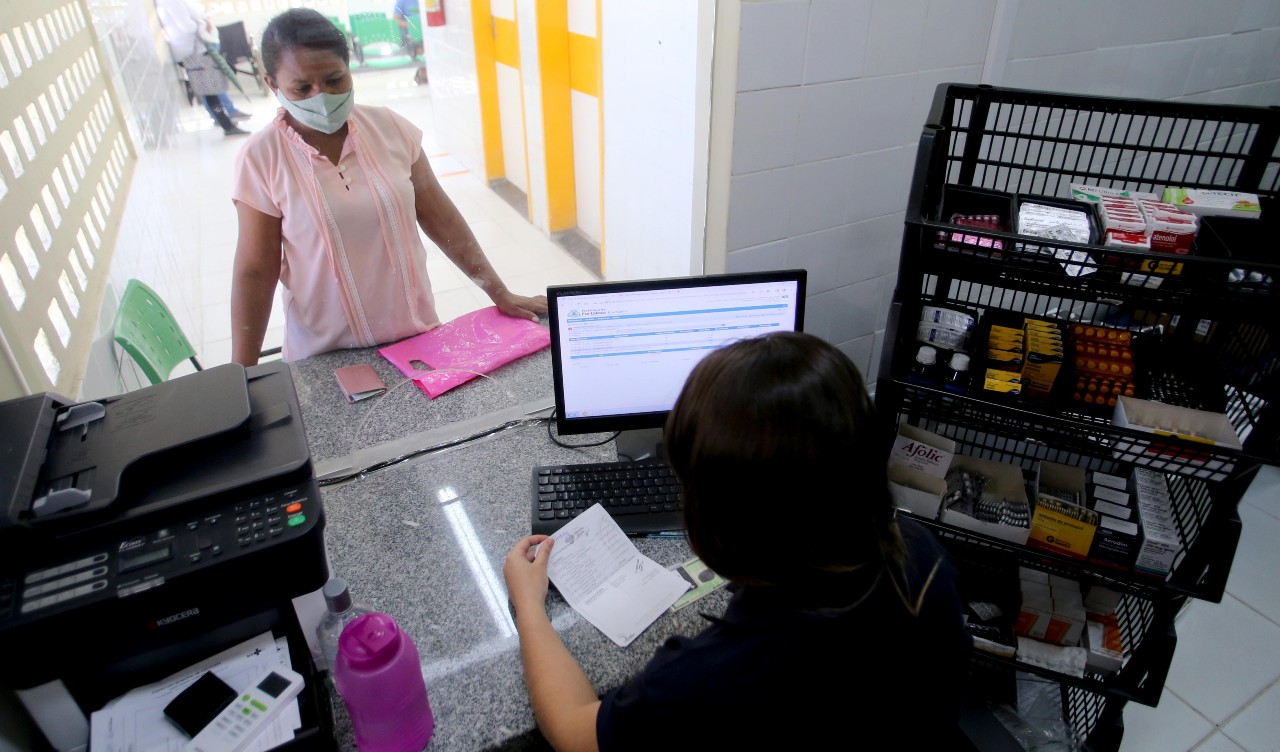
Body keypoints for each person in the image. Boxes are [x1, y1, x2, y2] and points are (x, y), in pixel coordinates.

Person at [503, 331, 973, 750]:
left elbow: (573, 731)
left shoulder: (715, 675)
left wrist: (529, 606)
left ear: (717, 524)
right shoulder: (919, 550)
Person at [230, 9, 546, 365]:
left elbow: (440, 217)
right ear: (273, 84)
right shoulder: (261, 157)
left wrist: (498, 291)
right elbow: (256, 269)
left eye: (335, 80)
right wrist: (242, 373)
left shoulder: (391, 129)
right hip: (322, 354)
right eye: (302, 88)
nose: (322, 96)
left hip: (414, 339)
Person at [153, 0, 249, 136]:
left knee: (213, 91)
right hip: (194, 53)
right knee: (211, 93)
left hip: (199, 50)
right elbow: (187, 27)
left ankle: (226, 123)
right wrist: (204, 22)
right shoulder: (171, 2)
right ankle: (226, 125)